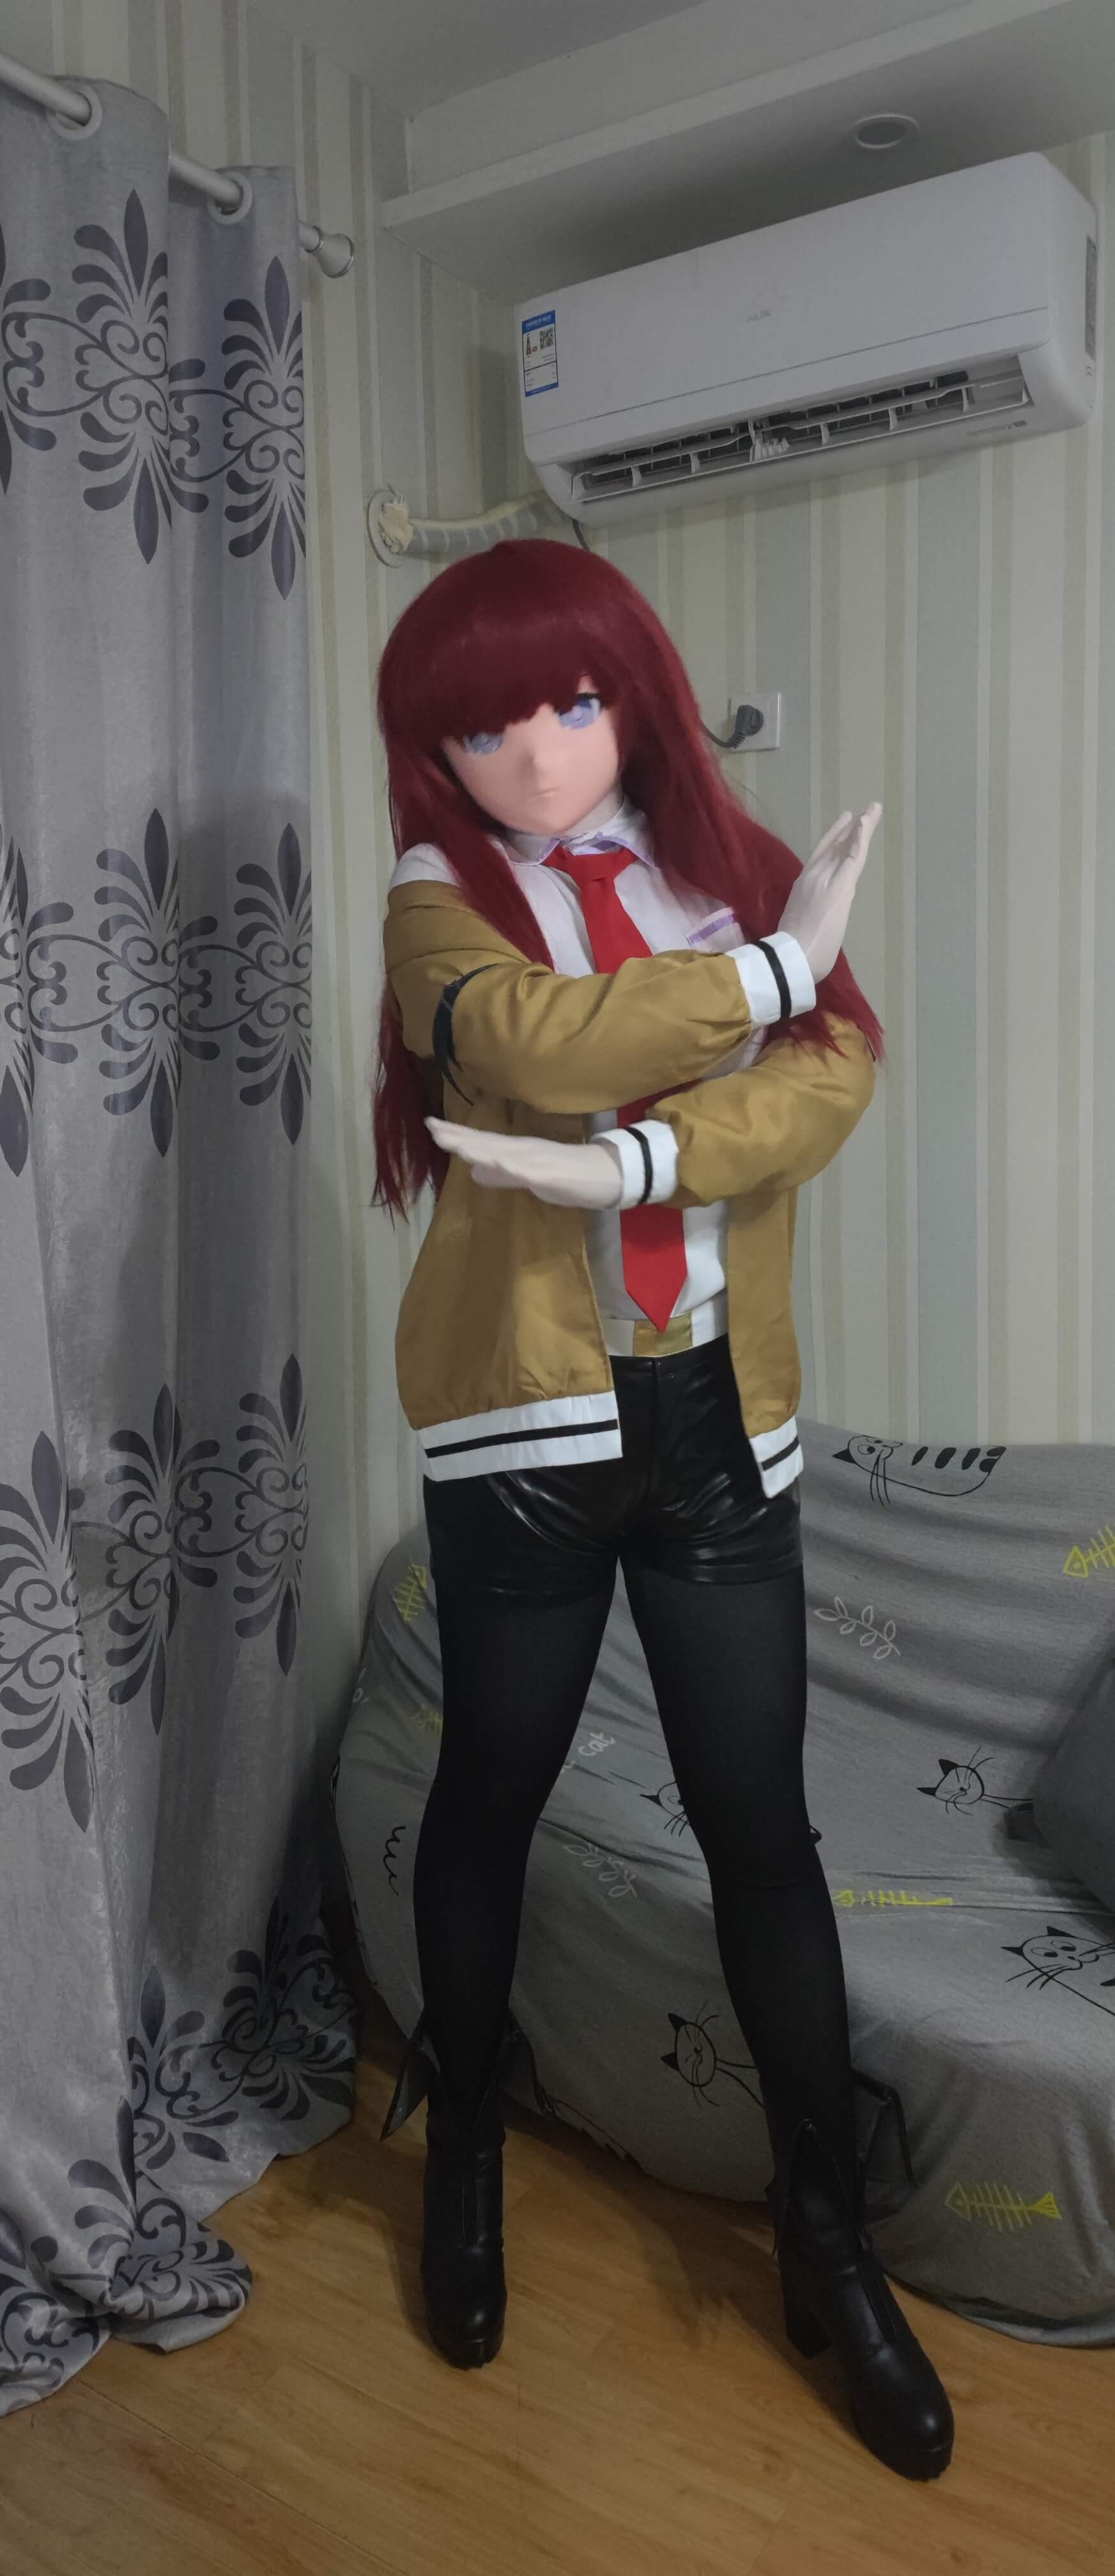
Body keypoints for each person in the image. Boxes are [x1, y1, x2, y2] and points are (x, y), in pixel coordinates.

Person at [370, 537, 953, 2482]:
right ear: (434, 754)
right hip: (526, 1423)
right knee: (491, 1793)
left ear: (636, 694)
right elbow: (547, 1045)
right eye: (485, 728)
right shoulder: (440, 900)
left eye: (572, 704)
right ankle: (463, 2139)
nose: (537, 759)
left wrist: (636, 1162)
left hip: (715, 1411)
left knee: (758, 1826)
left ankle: (824, 2234)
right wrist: (772, 970)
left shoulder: (726, 864)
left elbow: (832, 1078)